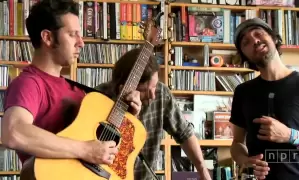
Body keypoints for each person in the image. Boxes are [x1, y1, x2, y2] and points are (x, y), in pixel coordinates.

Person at [1, 0, 141, 170]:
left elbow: (106, 151)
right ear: (48, 37)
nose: (81, 43)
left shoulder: (78, 91)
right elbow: (13, 132)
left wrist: (129, 118)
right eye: (72, 34)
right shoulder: (29, 83)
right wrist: (85, 149)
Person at [95, 48, 212, 180]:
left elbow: (184, 133)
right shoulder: (97, 97)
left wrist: (202, 169)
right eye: (144, 90)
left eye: (154, 86)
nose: (152, 95)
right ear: (122, 86)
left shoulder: (161, 93)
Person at [229, 17, 299, 180]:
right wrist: (245, 161)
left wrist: (290, 135)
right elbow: (237, 143)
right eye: (246, 42)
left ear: (275, 38)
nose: (255, 41)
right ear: (245, 56)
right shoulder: (243, 92)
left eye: (259, 34)